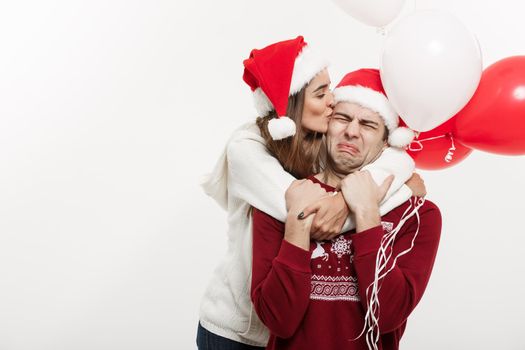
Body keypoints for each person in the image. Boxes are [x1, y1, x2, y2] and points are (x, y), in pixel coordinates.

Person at [198, 37, 421, 350]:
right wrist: (359, 199)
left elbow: (392, 157)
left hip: (290, 330)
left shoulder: (318, 142)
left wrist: (399, 179)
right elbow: (311, 216)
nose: (333, 101)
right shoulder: (246, 149)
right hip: (239, 330)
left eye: (330, 88)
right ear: (292, 103)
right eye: (321, 93)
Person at [251, 69, 442, 350]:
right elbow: (278, 320)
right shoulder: (281, 197)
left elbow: (386, 316)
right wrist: (296, 224)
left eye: (368, 125)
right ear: (326, 125)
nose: (351, 131)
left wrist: (366, 214)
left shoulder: (418, 215)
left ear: (387, 142)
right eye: (342, 118)